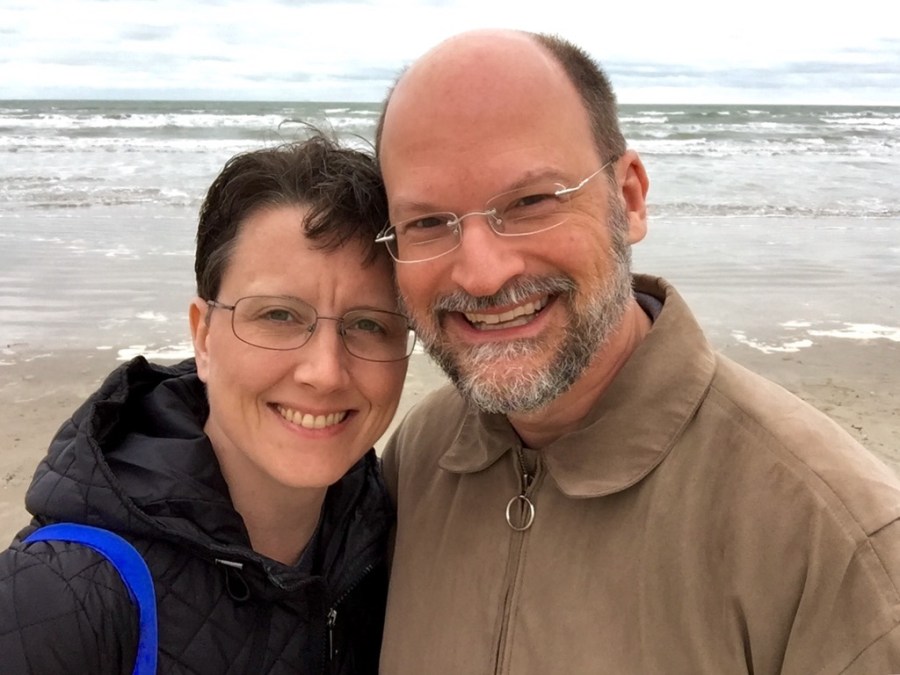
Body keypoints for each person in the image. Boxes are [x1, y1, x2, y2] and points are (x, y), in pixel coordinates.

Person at [374, 29, 900, 674]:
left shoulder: (838, 541)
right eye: (428, 222)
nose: (481, 275)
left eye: (531, 202)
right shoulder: (419, 459)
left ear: (629, 200)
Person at [0, 133, 414, 673]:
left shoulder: (396, 542)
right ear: (203, 337)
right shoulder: (61, 599)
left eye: (369, 325)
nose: (325, 372)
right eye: (278, 315)